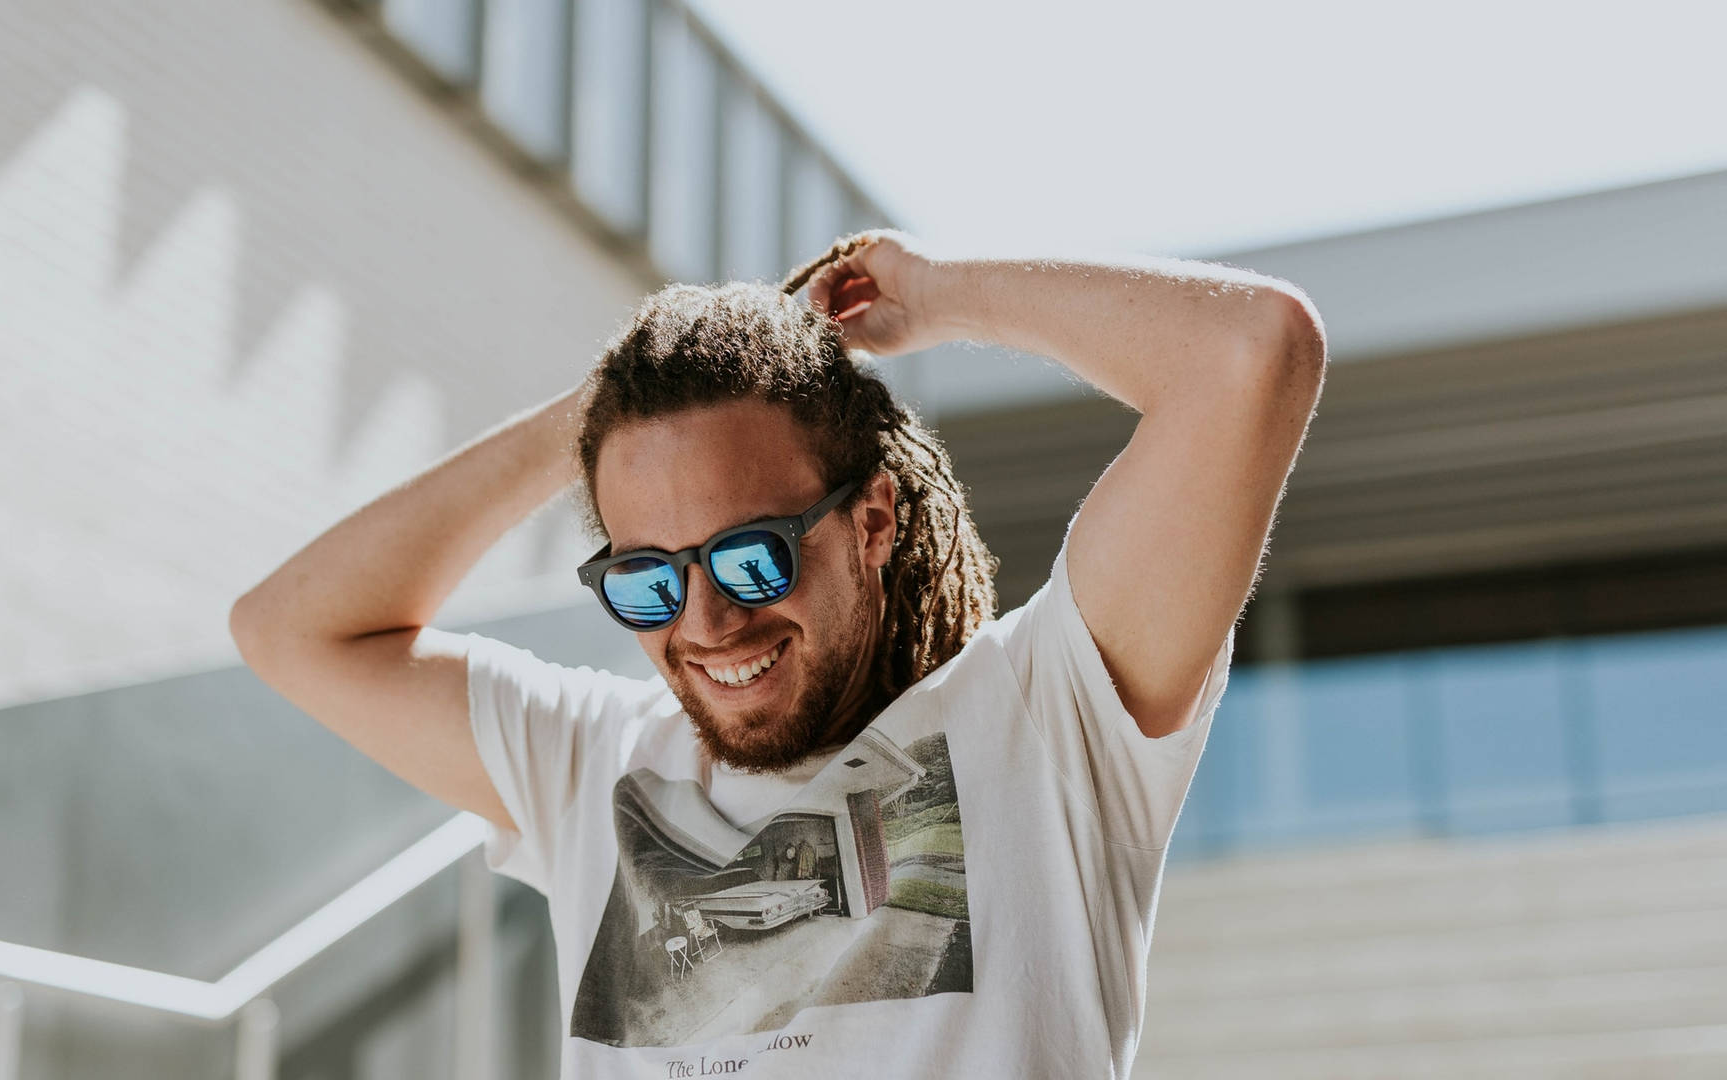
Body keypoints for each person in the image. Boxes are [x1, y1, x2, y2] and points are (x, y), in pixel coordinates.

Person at [229, 230, 1326, 1077]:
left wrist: (942, 293)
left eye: (752, 558)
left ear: (875, 520)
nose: (706, 623)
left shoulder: (1049, 718)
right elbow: (286, 629)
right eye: (648, 579)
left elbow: (1252, 351)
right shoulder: (591, 765)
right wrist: (589, 418)